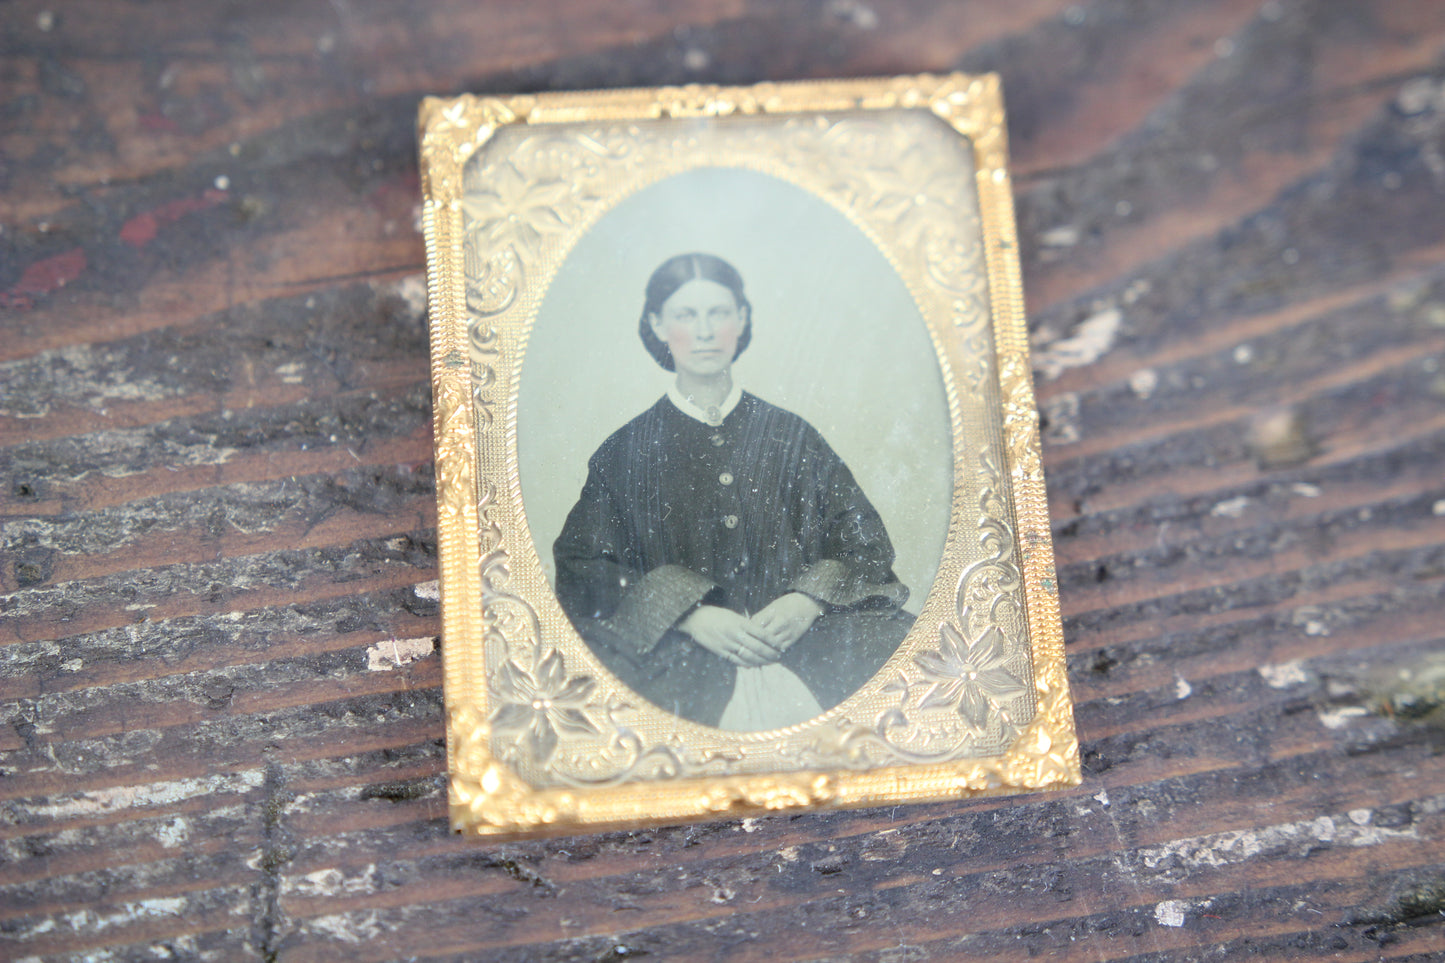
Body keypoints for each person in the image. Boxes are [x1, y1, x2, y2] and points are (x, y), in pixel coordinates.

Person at [553, 253, 914, 730]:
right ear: (658, 324)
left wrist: (807, 600)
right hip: (680, 657)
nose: (704, 331)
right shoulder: (624, 452)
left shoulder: (791, 435)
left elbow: (864, 540)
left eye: (718, 313)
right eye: (686, 315)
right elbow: (584, 567)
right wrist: (688, 614)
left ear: (741, 320)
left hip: (812, 640)